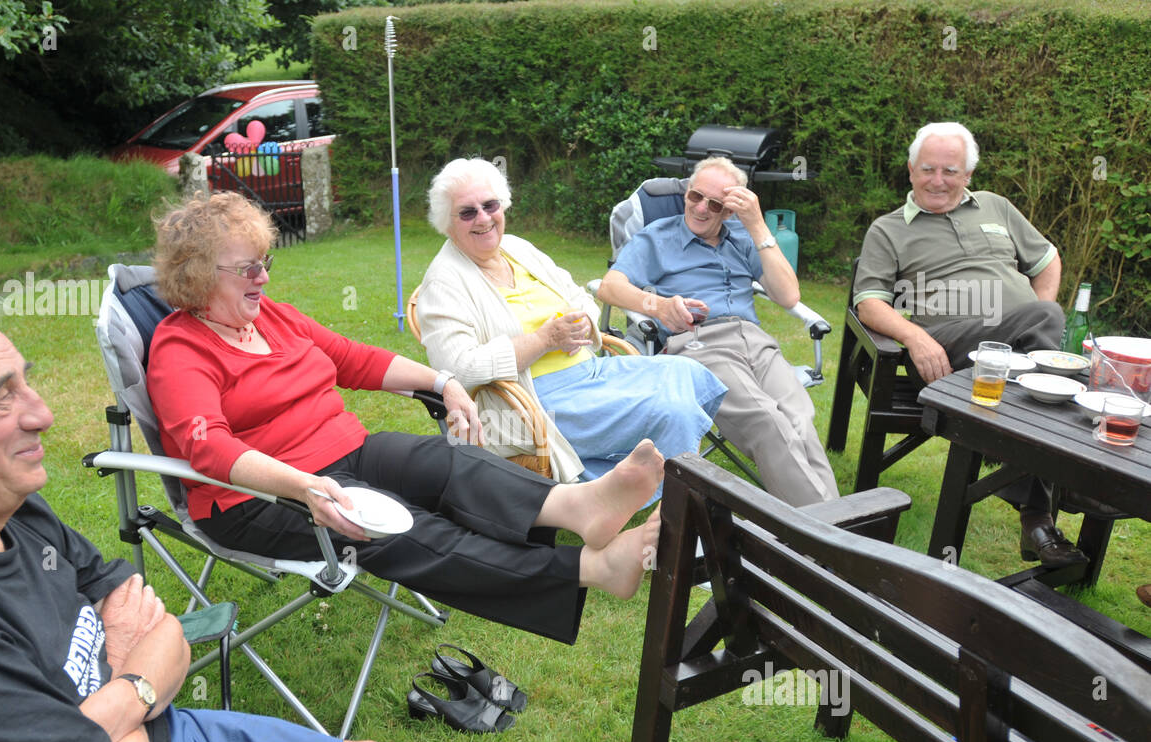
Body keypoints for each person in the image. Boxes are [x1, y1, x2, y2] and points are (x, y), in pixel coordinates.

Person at [0, 306, 734, 742]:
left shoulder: (5, 508)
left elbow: (154, 621)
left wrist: (114, 700)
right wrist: (139, 681)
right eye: (3, 395)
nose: (42, 412)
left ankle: (577, 518)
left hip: (152, 740)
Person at [145, 192, 661, 646]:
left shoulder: (273, 316)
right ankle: (595, 568)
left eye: (265, 262)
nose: (263, 277)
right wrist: (305, 487)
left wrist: (442, 382)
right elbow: (208, 447)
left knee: (447, 463)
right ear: (196, 277)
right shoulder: (180, 348)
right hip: (258, 498)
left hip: (344, 450)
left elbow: (351, 358)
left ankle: (580, 505)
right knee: (406, 530)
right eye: (247, 269)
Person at [416, 158, 726, 496]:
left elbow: (580, 297)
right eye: (467, 212)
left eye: (490, 205)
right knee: (671, 409)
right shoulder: (444, 282)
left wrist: (581, 325)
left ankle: (645, 479)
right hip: (536, 401)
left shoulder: (517, 249)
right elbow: (458, 370)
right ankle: (672, 508)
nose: (484, 218)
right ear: (446, 222)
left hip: (591, 371)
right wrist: (544, 339)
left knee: (686, 371)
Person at [853, 121, 1081, 568]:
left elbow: (1047, 257)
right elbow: (869, 302)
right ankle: (1052, 502)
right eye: (928, 169)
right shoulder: (888, 229)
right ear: (911, 170)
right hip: (944, 348)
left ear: (968, 175)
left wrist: (1035, 311)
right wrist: (914, 335)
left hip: (1011, 356)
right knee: (1048, 339)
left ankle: (1038, 513)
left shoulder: (996, 207)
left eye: (950, 171)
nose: (938, 180)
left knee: (1044, 375)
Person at [596, 156, 841, 507]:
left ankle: (832, 530)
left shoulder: (744, 236)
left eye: (714, 204)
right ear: (686, 193)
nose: (700, 208)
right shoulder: (658, 237)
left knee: (799, 417)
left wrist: (757, 226)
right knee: (766, 419)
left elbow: (788, 295)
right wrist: (660, 307)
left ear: (728, 211)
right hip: (699, 344)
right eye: (695, 196)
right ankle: (832, 536)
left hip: (756, 342)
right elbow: (609, 286)